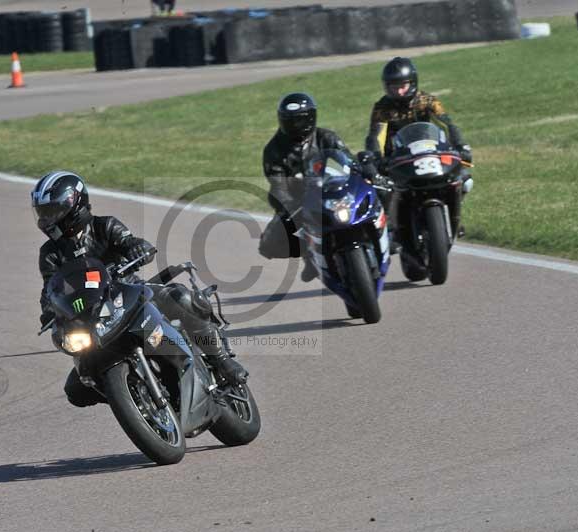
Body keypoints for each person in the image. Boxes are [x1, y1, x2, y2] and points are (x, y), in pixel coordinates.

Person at [32, 170, 247, 408]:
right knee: (76, 390)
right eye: (43, 214)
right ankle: (130, 394)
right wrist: (49, 311)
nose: (47, 220)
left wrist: (138, 248)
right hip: (93, 316)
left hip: (131, 294)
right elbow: (50, 288)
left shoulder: (105, 226)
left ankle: (222, 361)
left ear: (74, 204)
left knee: (180, 297)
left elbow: (130, 242)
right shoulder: (50, 253)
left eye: (52, 212)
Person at [260, 92, 376, 282]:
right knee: (269, 244)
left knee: (377, 190)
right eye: (291, 121)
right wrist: (288, 205)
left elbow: (349, 161)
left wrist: (366, 173)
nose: (296, 125)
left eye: (300, 120)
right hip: (301, 200)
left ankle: (385, 232)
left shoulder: (326, 137)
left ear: (311, 117)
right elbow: (277, 183)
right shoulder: (274, 149)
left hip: (335, 190)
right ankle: (310, 255)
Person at [364, 57, 473, 237]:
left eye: (403, 86)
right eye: (393, 87)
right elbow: (377, 135)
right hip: (398, 157)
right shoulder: (382, 107)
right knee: (383, 188)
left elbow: (446, 124)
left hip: (431, 151)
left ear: (413, 83)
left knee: (464, 180)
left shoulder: (428, 101)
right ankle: (391, 226)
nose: (399, 91)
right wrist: (376, 157)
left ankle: (455, 218)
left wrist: (460, 145)